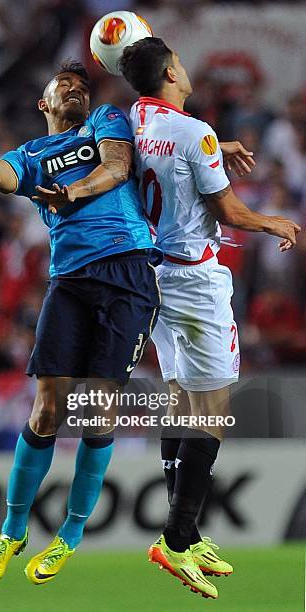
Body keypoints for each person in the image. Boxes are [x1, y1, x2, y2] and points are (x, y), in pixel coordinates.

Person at [0, 60, 162, 585]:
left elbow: (117, 168)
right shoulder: (32, 155)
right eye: (63, 86)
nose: (74, 91)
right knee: (47, 407)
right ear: (43, 104)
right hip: (68, 280)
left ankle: (70, 532)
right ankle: (13, 528)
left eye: (80, 87)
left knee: (97, 411)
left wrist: (70, 194)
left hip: (128, 270)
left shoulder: (104, 124)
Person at [119, 38, 301, 600]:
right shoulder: (192, 131)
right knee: (215, 410)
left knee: (180, 399)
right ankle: (175, 538)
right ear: (172, 70)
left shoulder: (136, 117)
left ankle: (187, 532)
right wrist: (275, 222)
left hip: (155, 275)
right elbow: (229, 211)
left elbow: (161, 152)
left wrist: (217, 146)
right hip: (197, 282)